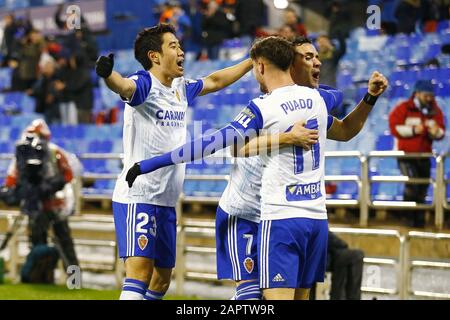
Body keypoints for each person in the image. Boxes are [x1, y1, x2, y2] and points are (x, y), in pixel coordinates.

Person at [125, 36, 388, 300]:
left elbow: (343, 131)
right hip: (244, 215)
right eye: (308, 57)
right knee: (254, 297)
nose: (316, 62)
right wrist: (284, 137)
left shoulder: (300, 107)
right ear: (290, 64)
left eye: (316, 57)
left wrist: (368, 98)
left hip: (278, 215)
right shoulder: (309, 102)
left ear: (262, 66)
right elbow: (234, 147)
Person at [95, 23, 253, 300]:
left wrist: (252, 61)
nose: (181, 51)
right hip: (139, 195)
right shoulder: (145, 84)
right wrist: (108, 74)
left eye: (180, 46)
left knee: (161, 281)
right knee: (140, 274)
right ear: (155, 56)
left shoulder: (180, 87)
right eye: (173, 46)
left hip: (167, 200)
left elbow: (215, 81)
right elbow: (123, 86)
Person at [2, 119, 79, 270]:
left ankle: (74, 280)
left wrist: (50, 187)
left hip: (55, 204)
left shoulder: (53, 151)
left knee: (64, 244)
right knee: (38, 243)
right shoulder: (22, 155)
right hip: (35, 204)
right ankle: (42, 275)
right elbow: (11, 182)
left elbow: (68, 175)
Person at [389, 80, 446, 228]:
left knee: (423, 188)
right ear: (418, 93)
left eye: (431, 96)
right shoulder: (404, 108)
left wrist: (436, 133)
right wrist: (415, 130)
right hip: (406, 155)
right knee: (412, 185)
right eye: (426, 95)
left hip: (425, 155)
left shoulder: (434, 110)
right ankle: (408, 218)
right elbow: (394, 127)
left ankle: (419, 220)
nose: (429, 98)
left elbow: (441, 131)